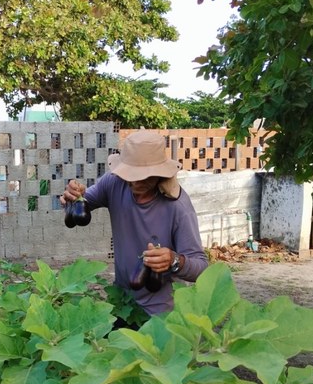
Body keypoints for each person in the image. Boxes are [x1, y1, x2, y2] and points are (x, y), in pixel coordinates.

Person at [60, 129, 208, 317]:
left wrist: (174, 260)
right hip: (122, 304)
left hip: (162, 315)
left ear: (160, 173)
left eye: (144, 176)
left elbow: (201, 268)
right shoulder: (114, 183)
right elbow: (83, 204)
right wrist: (73, 198)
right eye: (130, 174)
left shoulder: (179, 207)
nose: (135, 182)